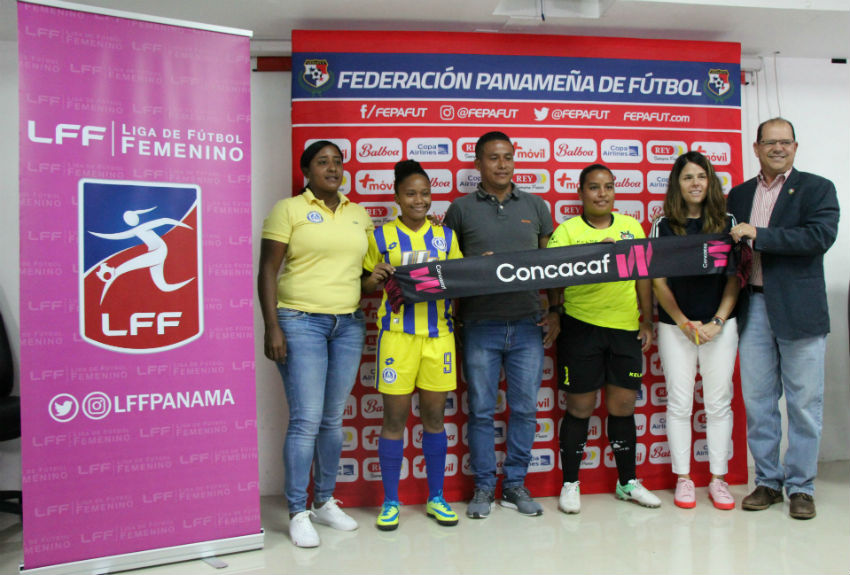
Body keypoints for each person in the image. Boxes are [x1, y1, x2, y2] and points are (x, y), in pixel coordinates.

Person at [258, 140, 373, 547]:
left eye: (338, 162)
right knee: (306, 419)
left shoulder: (358, 214)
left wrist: (387, 276)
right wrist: (272, 326)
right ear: (306, 171)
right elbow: (267, 270)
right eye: (323, 162)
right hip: (299, 322)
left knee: (332, 419)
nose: (332, 168)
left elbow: (365, 275)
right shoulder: (288, 210)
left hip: (349, 324)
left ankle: (323, 501)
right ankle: (297, 510)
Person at [728, 118, 839, 520]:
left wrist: (760, 234)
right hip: (752, 308)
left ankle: (802, 487)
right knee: (759, 403)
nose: (778, 148)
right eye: (770, 142)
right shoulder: (739, 194)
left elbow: (818, 237)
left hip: (799, 310)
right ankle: (768, 482)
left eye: (785, 142)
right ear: (756, 148)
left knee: (804, 404)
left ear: (795, 147)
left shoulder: (818, 188)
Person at [443, 131, 559, 518]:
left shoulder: (536, 206)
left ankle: (514, 485)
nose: (502, 164)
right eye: (493, 158)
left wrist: (555, 310)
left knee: (524, 410)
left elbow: (551, 266)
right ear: (478, 163)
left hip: (528, 324)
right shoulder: (459, 210)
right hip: (480, 325)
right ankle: (482, 488)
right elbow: (448, 268)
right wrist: (475, 268)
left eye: (508, 156)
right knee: (480, 412)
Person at [549, 163, 661, 514]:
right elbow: (551, 277)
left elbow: (643, 275)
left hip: (625, 329)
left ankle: (627, 482)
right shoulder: (566, 231)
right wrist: (593, 257)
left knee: (623, 407)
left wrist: (646, 319)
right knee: (580, 408)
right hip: (581, 327)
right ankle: (570, 483)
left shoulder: (632, 227)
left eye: (608, 187)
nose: (602, 194)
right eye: (594, 187)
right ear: (581, 192)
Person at [362, 159, 464, 531]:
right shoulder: (380, 237)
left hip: (439, 338)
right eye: (410, 194)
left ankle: (436, 497)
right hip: (397, 339)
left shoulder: (446, 237)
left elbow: (461, 280)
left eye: (424, 193)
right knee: (394, 420)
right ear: (397, 197)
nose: (419, 200)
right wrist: (373, 279)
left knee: (434, 419)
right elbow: (364, 285)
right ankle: (391, 502)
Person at [650, 151, 740, 510]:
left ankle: (718, 480)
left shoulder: (728, 222)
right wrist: (683, 322)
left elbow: (735, 278)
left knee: (718, 404)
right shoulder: (663, 225)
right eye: (688, 177)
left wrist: (717, 321)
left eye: (701, 176)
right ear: (678, 184)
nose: (695, 183)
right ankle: (684, 479)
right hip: (676, 327)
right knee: (679, 403)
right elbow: (657, 281)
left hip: (721, 326)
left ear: (710, 181)